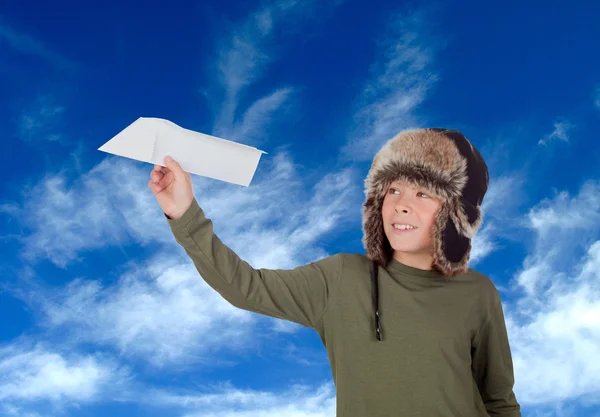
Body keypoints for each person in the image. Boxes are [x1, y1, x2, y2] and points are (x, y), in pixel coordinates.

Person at [148, 128, 521, 417]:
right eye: (393, 190)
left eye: (423, 194)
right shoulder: (342, 278)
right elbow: (245, 287)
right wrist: (184, 213)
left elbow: (499, 400)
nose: (402, 206)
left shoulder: (477, 292)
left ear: (455, 215)